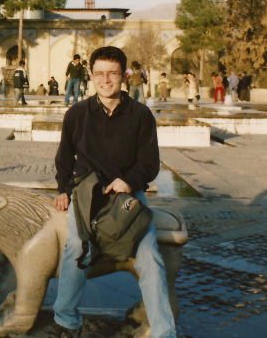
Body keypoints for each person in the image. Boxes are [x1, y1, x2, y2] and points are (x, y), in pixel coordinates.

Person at [51, 46, 176, 338]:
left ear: (123, 76)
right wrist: (63, 190)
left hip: (127, 198)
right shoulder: (77, 114)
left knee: (150, 259)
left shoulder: (141, 115)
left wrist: (128, 182)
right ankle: (66, 321)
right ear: (91, 76)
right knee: (75, 250)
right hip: (86, 197)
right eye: (99, 74)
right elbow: (64, 158)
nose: (106, 80)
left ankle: (164, 332)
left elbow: (150, 163)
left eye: (112, 73)